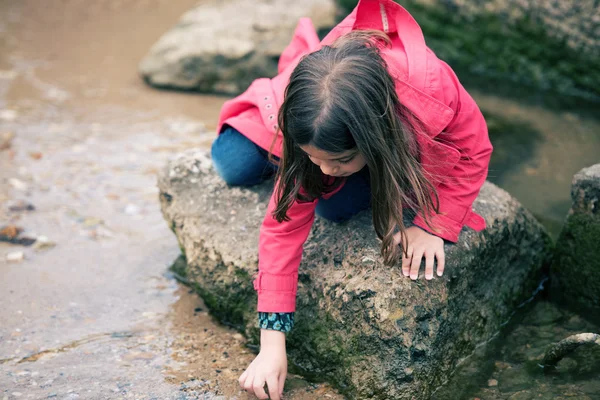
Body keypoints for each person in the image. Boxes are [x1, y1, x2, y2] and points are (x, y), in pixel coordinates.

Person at [210, 0, 493, 398]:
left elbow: (475, 150)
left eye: (339, 159)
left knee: (334, 205)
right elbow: (283, 225)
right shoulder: (314, 132)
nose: (324, 169)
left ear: (376, 139)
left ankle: (332, 157)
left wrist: (432, 223)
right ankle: (284, 127)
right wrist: (271, 344)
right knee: (231, 163)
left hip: (365, 117)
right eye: (313, 158)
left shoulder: (433, 87)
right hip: (318, 101)